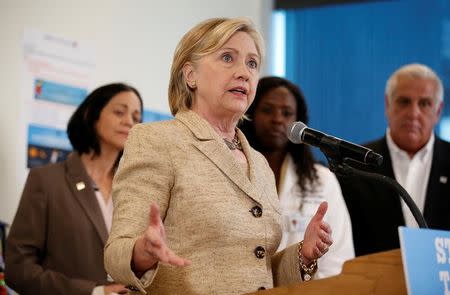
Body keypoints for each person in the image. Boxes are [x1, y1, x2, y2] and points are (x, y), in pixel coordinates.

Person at [104, 17, 333, 294]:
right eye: (227, 58)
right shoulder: (157, 141)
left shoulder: (259, 163)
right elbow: (115, 254)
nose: (244, 73)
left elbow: (252, 270)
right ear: (190, 75)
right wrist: (142, 251)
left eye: (252, 63)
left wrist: (302, 255)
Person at [5, 83, 143, 295]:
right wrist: (94, 292)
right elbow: (18, 270)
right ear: (90, 115)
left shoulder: (134, 188)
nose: (129, 122)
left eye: (136, 117)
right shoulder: (46, 180)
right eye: (119, 112)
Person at [240, 76, 354, 278]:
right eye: (267, 110)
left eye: (287, 113)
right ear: (251, 114)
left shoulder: (321, 180)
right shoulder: (234, 172)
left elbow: (338, 260)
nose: (278, 119)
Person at [338, 63, 450, 256]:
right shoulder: (353, 164)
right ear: (388, 104)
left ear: (438, 111)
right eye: (404, 102)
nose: (413, 113)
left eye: (424, 103)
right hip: (373, 282)